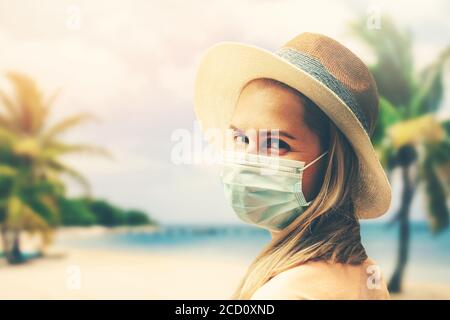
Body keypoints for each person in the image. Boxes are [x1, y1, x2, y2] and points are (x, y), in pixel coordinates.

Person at [194, 32, 391, 300]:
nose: (248, 159)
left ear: (333, 165)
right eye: (242, 138)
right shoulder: (367, 275)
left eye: (276, 144)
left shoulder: (288, 292)